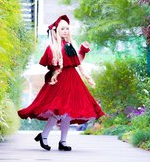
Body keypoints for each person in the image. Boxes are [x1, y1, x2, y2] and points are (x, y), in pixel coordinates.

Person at [18, 15, 105, 151]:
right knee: (58, 111)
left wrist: (82, 50)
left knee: (68, 114)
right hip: (60, 81)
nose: (65, 31)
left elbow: (77, 62)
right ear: (57, 30)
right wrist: (55, 68)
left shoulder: (70, 45)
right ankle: (44, 136)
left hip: (73, 81)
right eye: (62, 28)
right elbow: (48, 64)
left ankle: (62, 142)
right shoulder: (52, 47)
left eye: (67, 29)